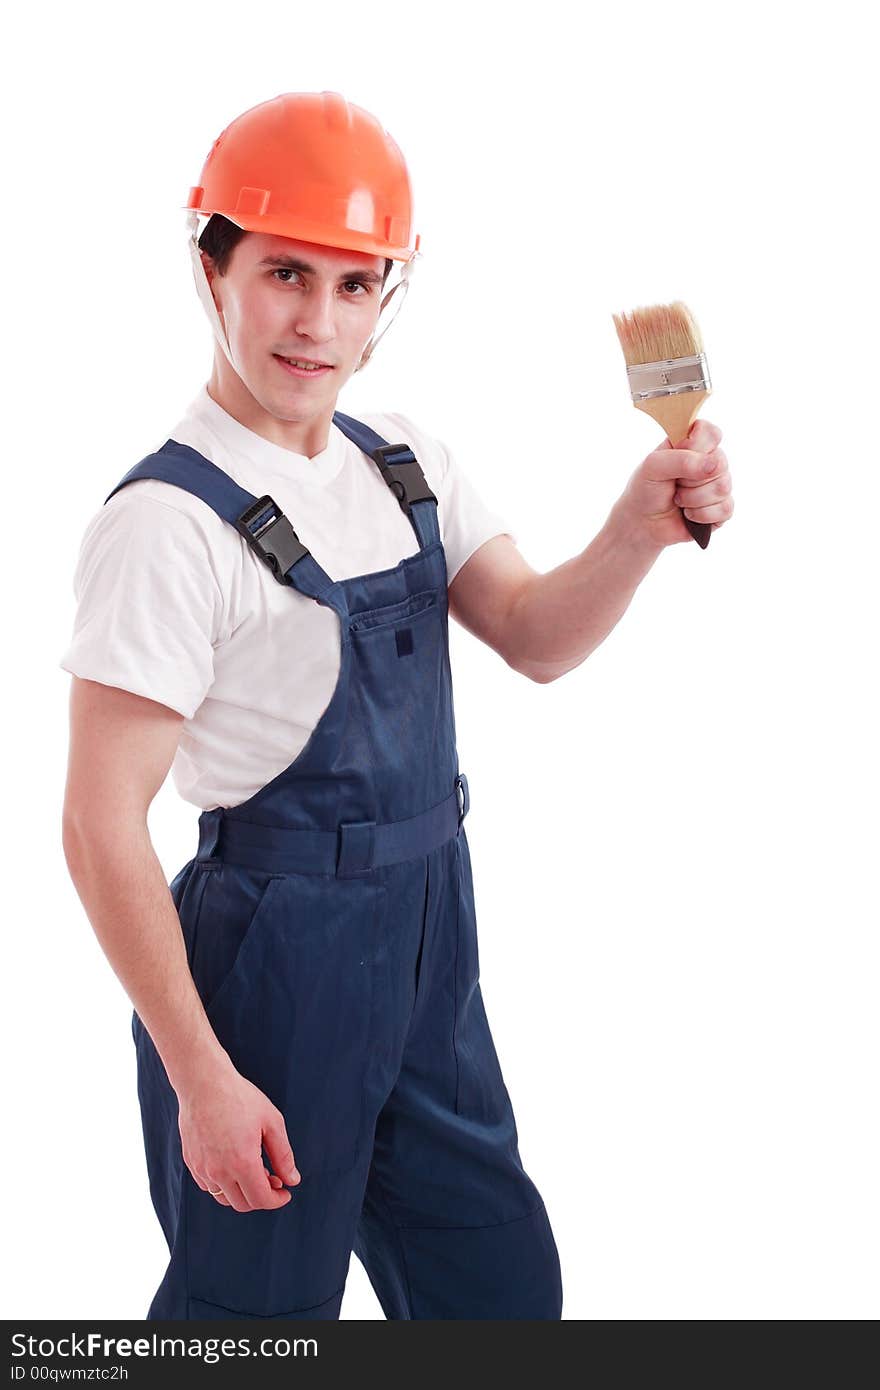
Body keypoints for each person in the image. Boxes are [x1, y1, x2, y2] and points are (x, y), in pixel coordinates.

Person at [60, 91, 734, 1322]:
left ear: (391, 294)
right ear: (209, 267)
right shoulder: (162, 526)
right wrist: (202, 1074)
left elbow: (533, 634)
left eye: (356, 284)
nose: (319, 324)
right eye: (284, 274)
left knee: (498, 1289)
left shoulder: (401, 456)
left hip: (430, 934)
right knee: (254, 1319)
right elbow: (100, 828)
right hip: (268, 964)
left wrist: (638, 527)